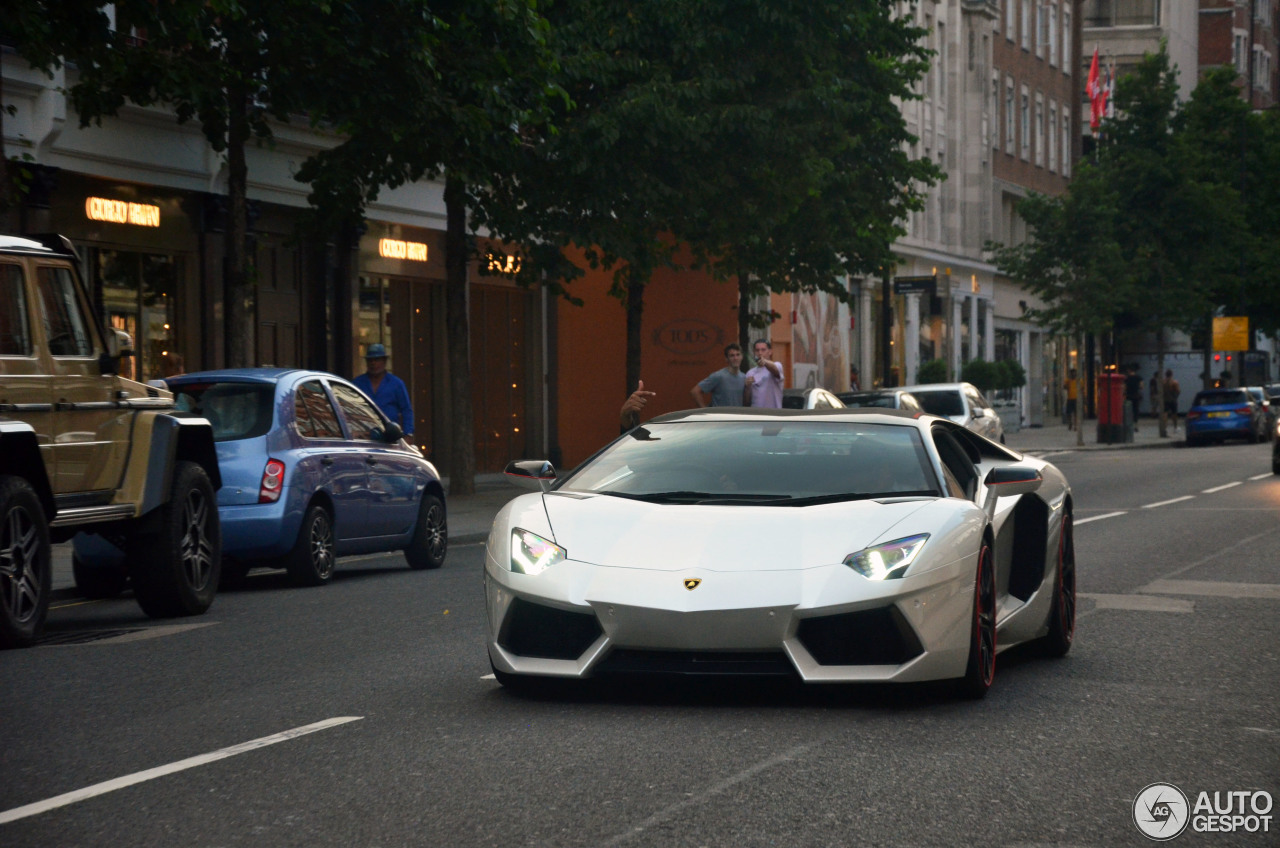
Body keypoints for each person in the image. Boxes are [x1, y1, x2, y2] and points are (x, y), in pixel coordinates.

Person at [353, 342, 414, 444]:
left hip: (390, 439)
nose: (373, 363)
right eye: (370, 360)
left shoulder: (396, 384)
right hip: (363, 438)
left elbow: (406, 410)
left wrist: (408, 434)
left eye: (377, 360)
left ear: (384, 361)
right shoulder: (358, 383)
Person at [744, 339, 784, 408]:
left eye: (763, 350)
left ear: (770, 352)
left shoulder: (777, 365)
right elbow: (747, 401)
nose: (760, 353)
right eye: (757, 350)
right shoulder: (750, 373)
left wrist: (765, 362)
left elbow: (775, 370)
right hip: (756, 415)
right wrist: (747, 387)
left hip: (773, 415)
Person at [1124, 363, 1143, 431]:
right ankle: (1136, 426)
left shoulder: (1126, 378)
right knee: (1135, 411)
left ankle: (1129, 425)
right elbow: (1141, 386)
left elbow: (1124, 388)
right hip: (1136, 396)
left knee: (1128, 411)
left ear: (1129, 370)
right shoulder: (1139, 377)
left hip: (1129, 396)